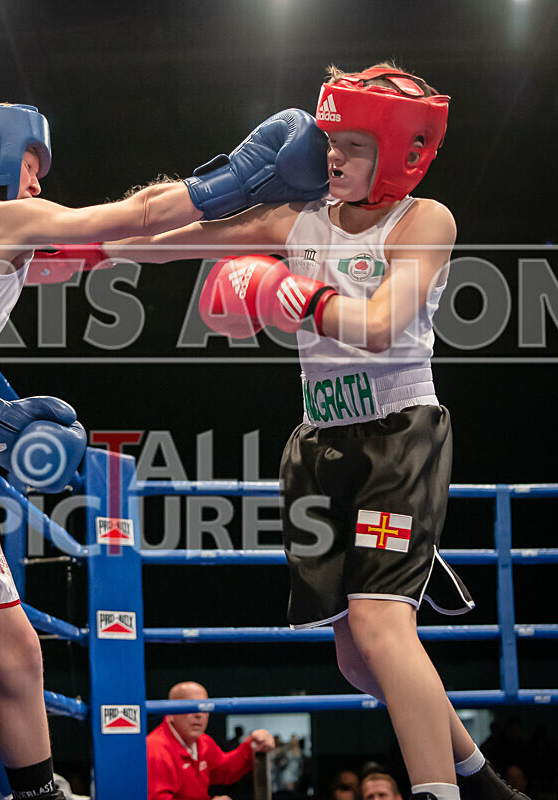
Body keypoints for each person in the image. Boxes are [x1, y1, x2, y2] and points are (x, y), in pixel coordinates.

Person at [44, 63, 530, 800]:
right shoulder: (294, 219)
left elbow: (379, 324)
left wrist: (287, 291)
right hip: (319, 447)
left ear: (403, 153)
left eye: (355, 145)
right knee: (356, 658)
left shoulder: (424, 220)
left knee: (380, 625)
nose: (332, 156)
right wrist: (78, 249)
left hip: (400, 441)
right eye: (331, 139)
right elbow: (171, 237)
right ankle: (483, 783)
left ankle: (439, 790)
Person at [0, 97, 326, 800]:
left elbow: (116, 248)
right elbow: (137, 218)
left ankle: (36, 791)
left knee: (18, 655)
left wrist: (242, 229)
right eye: (32, 167)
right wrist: (241, 177)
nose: (37, 185)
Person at [146, 681, 274, 800]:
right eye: (191, 707)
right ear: (170, 713)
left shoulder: (203, 742)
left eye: (204, 708)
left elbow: (225, 770)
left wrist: (252, 745)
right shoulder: (156, 748)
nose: (199, 714)